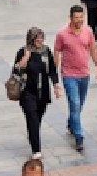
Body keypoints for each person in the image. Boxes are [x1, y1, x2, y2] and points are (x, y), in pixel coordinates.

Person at [54, 5, 97, 153]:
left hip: (84, 74)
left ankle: (71, 122)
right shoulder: (62, 34)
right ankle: (79, 136)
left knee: (79, 105)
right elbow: (57, 52)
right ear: (70, 18)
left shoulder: (88, 31)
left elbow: (93, 49)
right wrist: (54, 76)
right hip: (69, 75)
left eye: (81, 17)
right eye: (76, 18)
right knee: (74, 104)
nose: (79, 20)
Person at [13, 27, 61, 159]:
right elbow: (16, 71)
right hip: (27, 92)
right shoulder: (23, 51)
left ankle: (32, 135)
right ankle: (36, 150)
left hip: (43, 92)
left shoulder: (46, 51)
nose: (40, 41)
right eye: (37, 39)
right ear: (31, 39)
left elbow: (52, 70)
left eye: (41, 38)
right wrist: (26, 58)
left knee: (37, 119)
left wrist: (56, 85)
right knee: (32, 118)